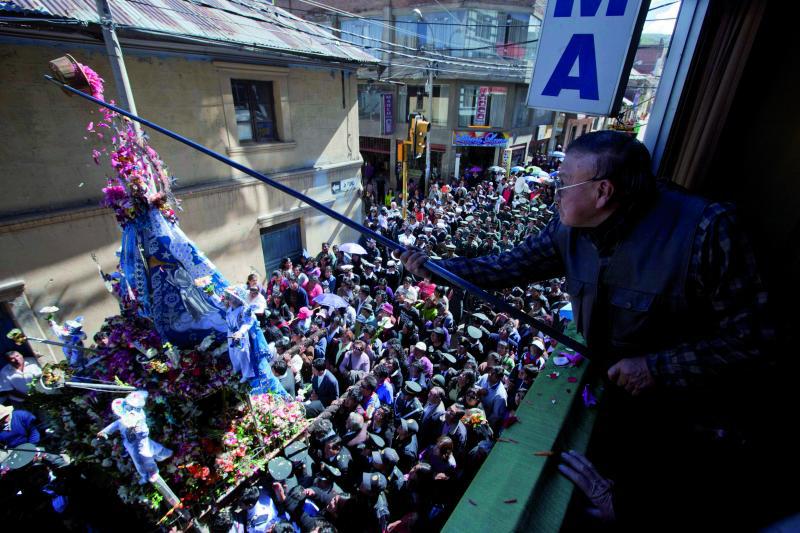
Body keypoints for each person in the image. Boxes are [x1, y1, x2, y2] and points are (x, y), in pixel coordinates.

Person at [401, 130, 777, 527]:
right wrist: (437, 269)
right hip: (615, 392)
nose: (554, 190)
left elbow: (758, 339)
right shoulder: (568, 229)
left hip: (691, 420)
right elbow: (506, 267)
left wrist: (656, 367)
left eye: (563, 182)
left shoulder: (707, 230)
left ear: (603, 192)